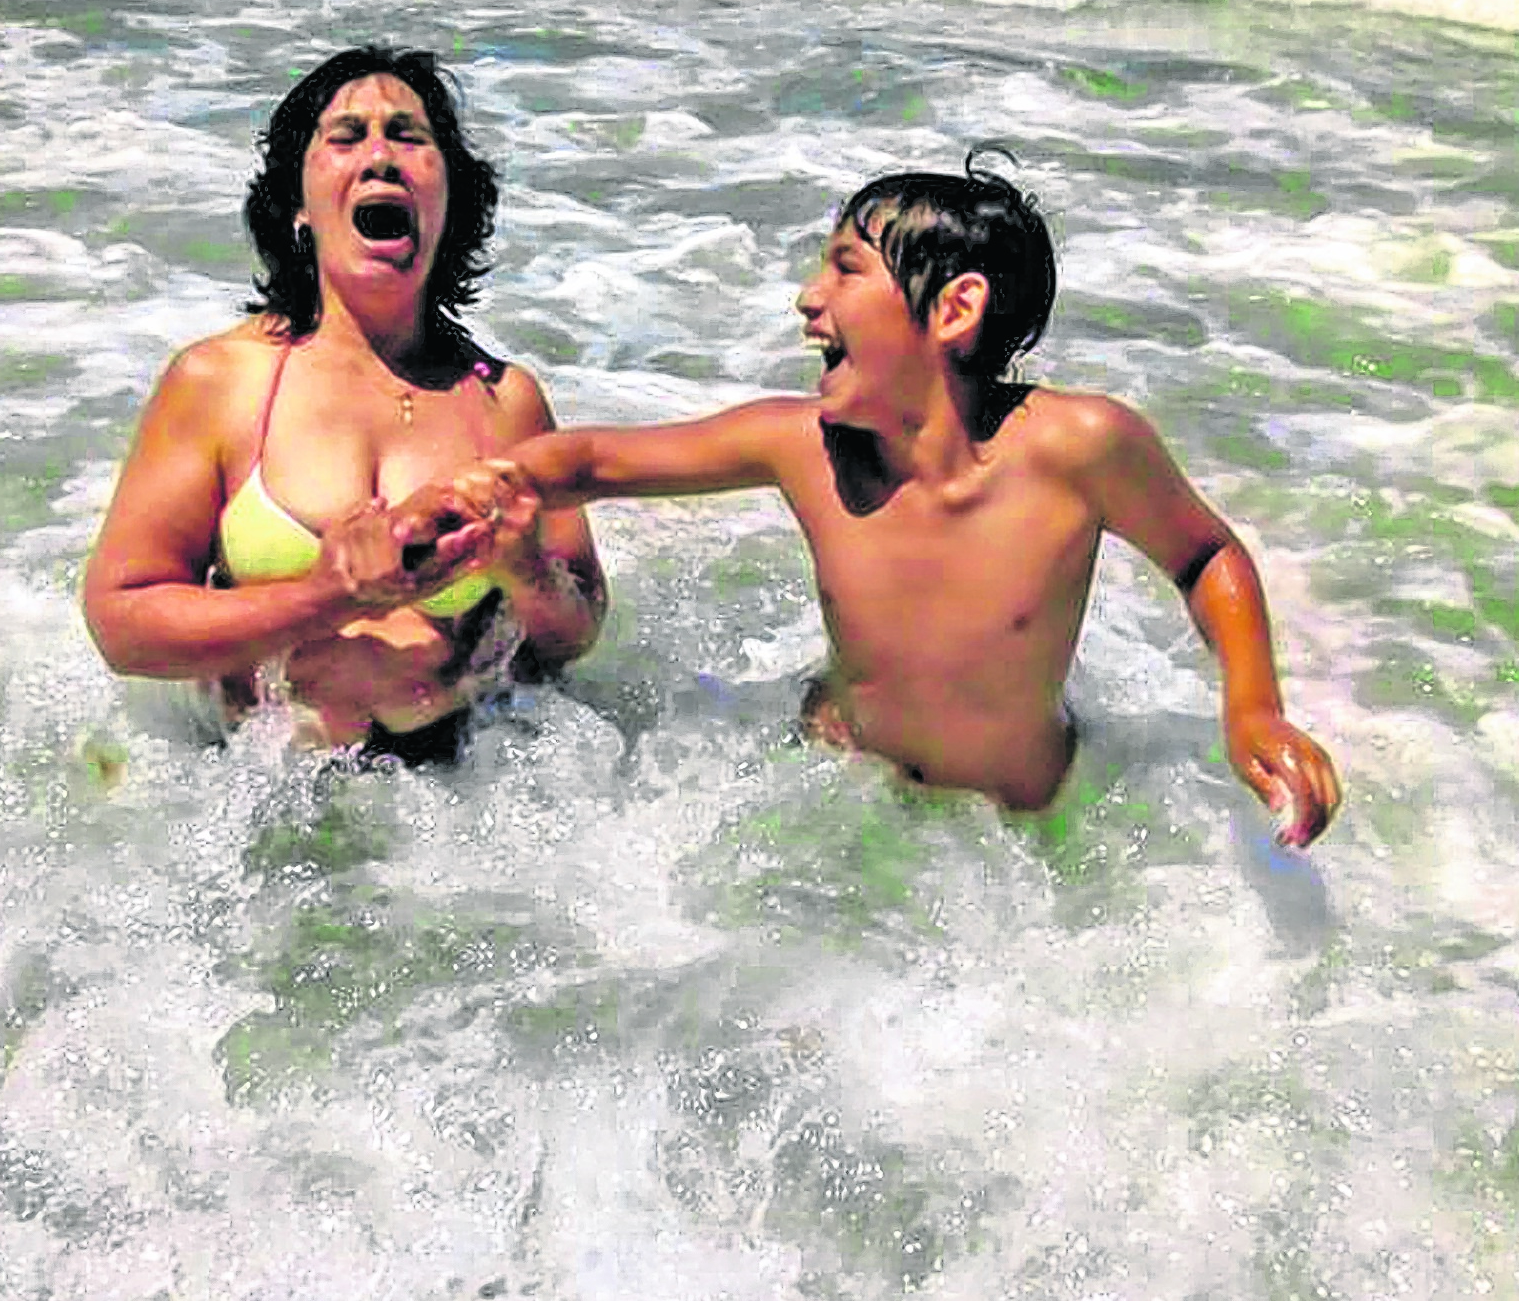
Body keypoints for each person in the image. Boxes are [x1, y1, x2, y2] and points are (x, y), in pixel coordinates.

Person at [394, 158, 1340, 841]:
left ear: (954, 309)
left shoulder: (1078, 448)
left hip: (1014, 823)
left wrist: (1252, 709)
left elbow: (1204, 556)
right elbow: (598, 461)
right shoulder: (804, 447)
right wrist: (484, 486)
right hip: (838, 784)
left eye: (845, 268)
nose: (808, 299)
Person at [81, 44, 604, 764]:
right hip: (256, 791)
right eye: (347, 137)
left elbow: (575, 632)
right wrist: (329, 597)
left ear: (449, 199)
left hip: (458, 794)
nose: (381, 157)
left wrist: (526, 571)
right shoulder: (222, 381)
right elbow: (122, 624)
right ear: (299, 204)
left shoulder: (504, 400)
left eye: (409, 137)